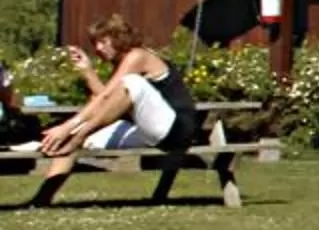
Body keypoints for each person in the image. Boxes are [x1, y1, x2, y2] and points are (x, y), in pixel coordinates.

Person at [26, 15, 205, 205]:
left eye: (103, 42)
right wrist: (87, 71)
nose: (97, 49)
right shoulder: (122, 64)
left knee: (131, 83)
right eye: (94, 43)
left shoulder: (138, 56)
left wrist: (68, 125)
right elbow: (110, 102)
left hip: (176, 129)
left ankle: (79, 135)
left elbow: (107, 96)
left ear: (118, 38)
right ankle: (41, 199)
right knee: (74, 136)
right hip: (148, 130)